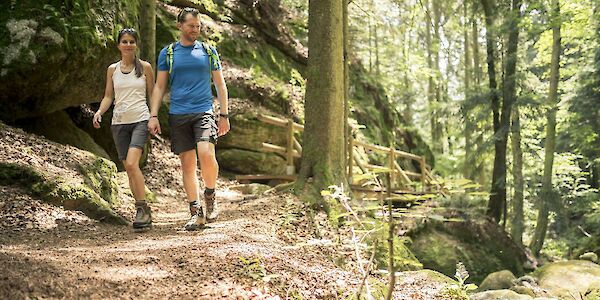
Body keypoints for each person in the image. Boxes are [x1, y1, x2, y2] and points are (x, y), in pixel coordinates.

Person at [148, 7, 230, 231]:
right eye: (191, 26)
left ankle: (210, 194)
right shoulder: (169, 53)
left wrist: (224, 114)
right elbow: (160, 86)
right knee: (187, 164)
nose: (195, 30)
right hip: (178, 113)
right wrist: (153, 115)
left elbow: (220, 85)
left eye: (198, 26)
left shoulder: (208, 51)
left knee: (205, 153)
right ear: (180, 26)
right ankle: (196, 212)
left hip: (203, 111)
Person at [93, 28, 154, 230]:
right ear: (119, 45)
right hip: (119, 123)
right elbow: (109, 96)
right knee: (128, 169)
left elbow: (153, 95)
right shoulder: (112, 70)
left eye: (131, 41)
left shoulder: (145, 68)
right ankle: (142, 210)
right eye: (124, 41)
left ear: (136, 45)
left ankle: (141, 208)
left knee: (131, 163)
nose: (128, 45)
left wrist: (154, 117)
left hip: (140, 120)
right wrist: (99, 112)